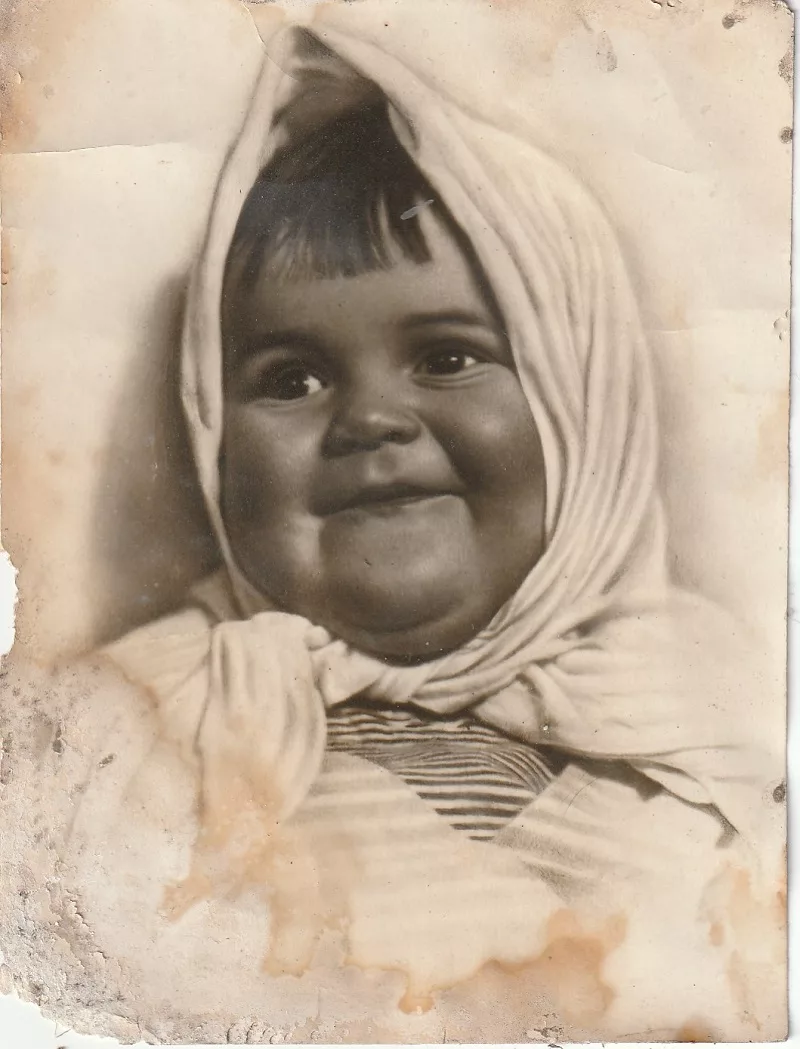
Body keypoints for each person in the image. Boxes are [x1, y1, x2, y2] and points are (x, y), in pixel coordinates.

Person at [98, 19, 782, 1033]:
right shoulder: (130, 725)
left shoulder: (729, 719)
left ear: (585, 403)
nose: (371, 419)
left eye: (448, 357)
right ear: (213, 434)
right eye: (292, 378)